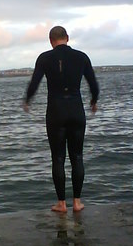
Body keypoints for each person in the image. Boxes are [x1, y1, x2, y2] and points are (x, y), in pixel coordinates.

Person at [23, 25, 99, 213]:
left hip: (56, 112)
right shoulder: (82, 57)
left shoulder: (44, 58)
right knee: (77, 157)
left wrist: (27, 100)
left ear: (51, 41)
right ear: (67, 37)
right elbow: (93, 84)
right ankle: (77, 202)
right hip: (76, 110)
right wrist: (94, 101)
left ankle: (61, 204)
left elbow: (34, 83)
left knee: (58, 158)